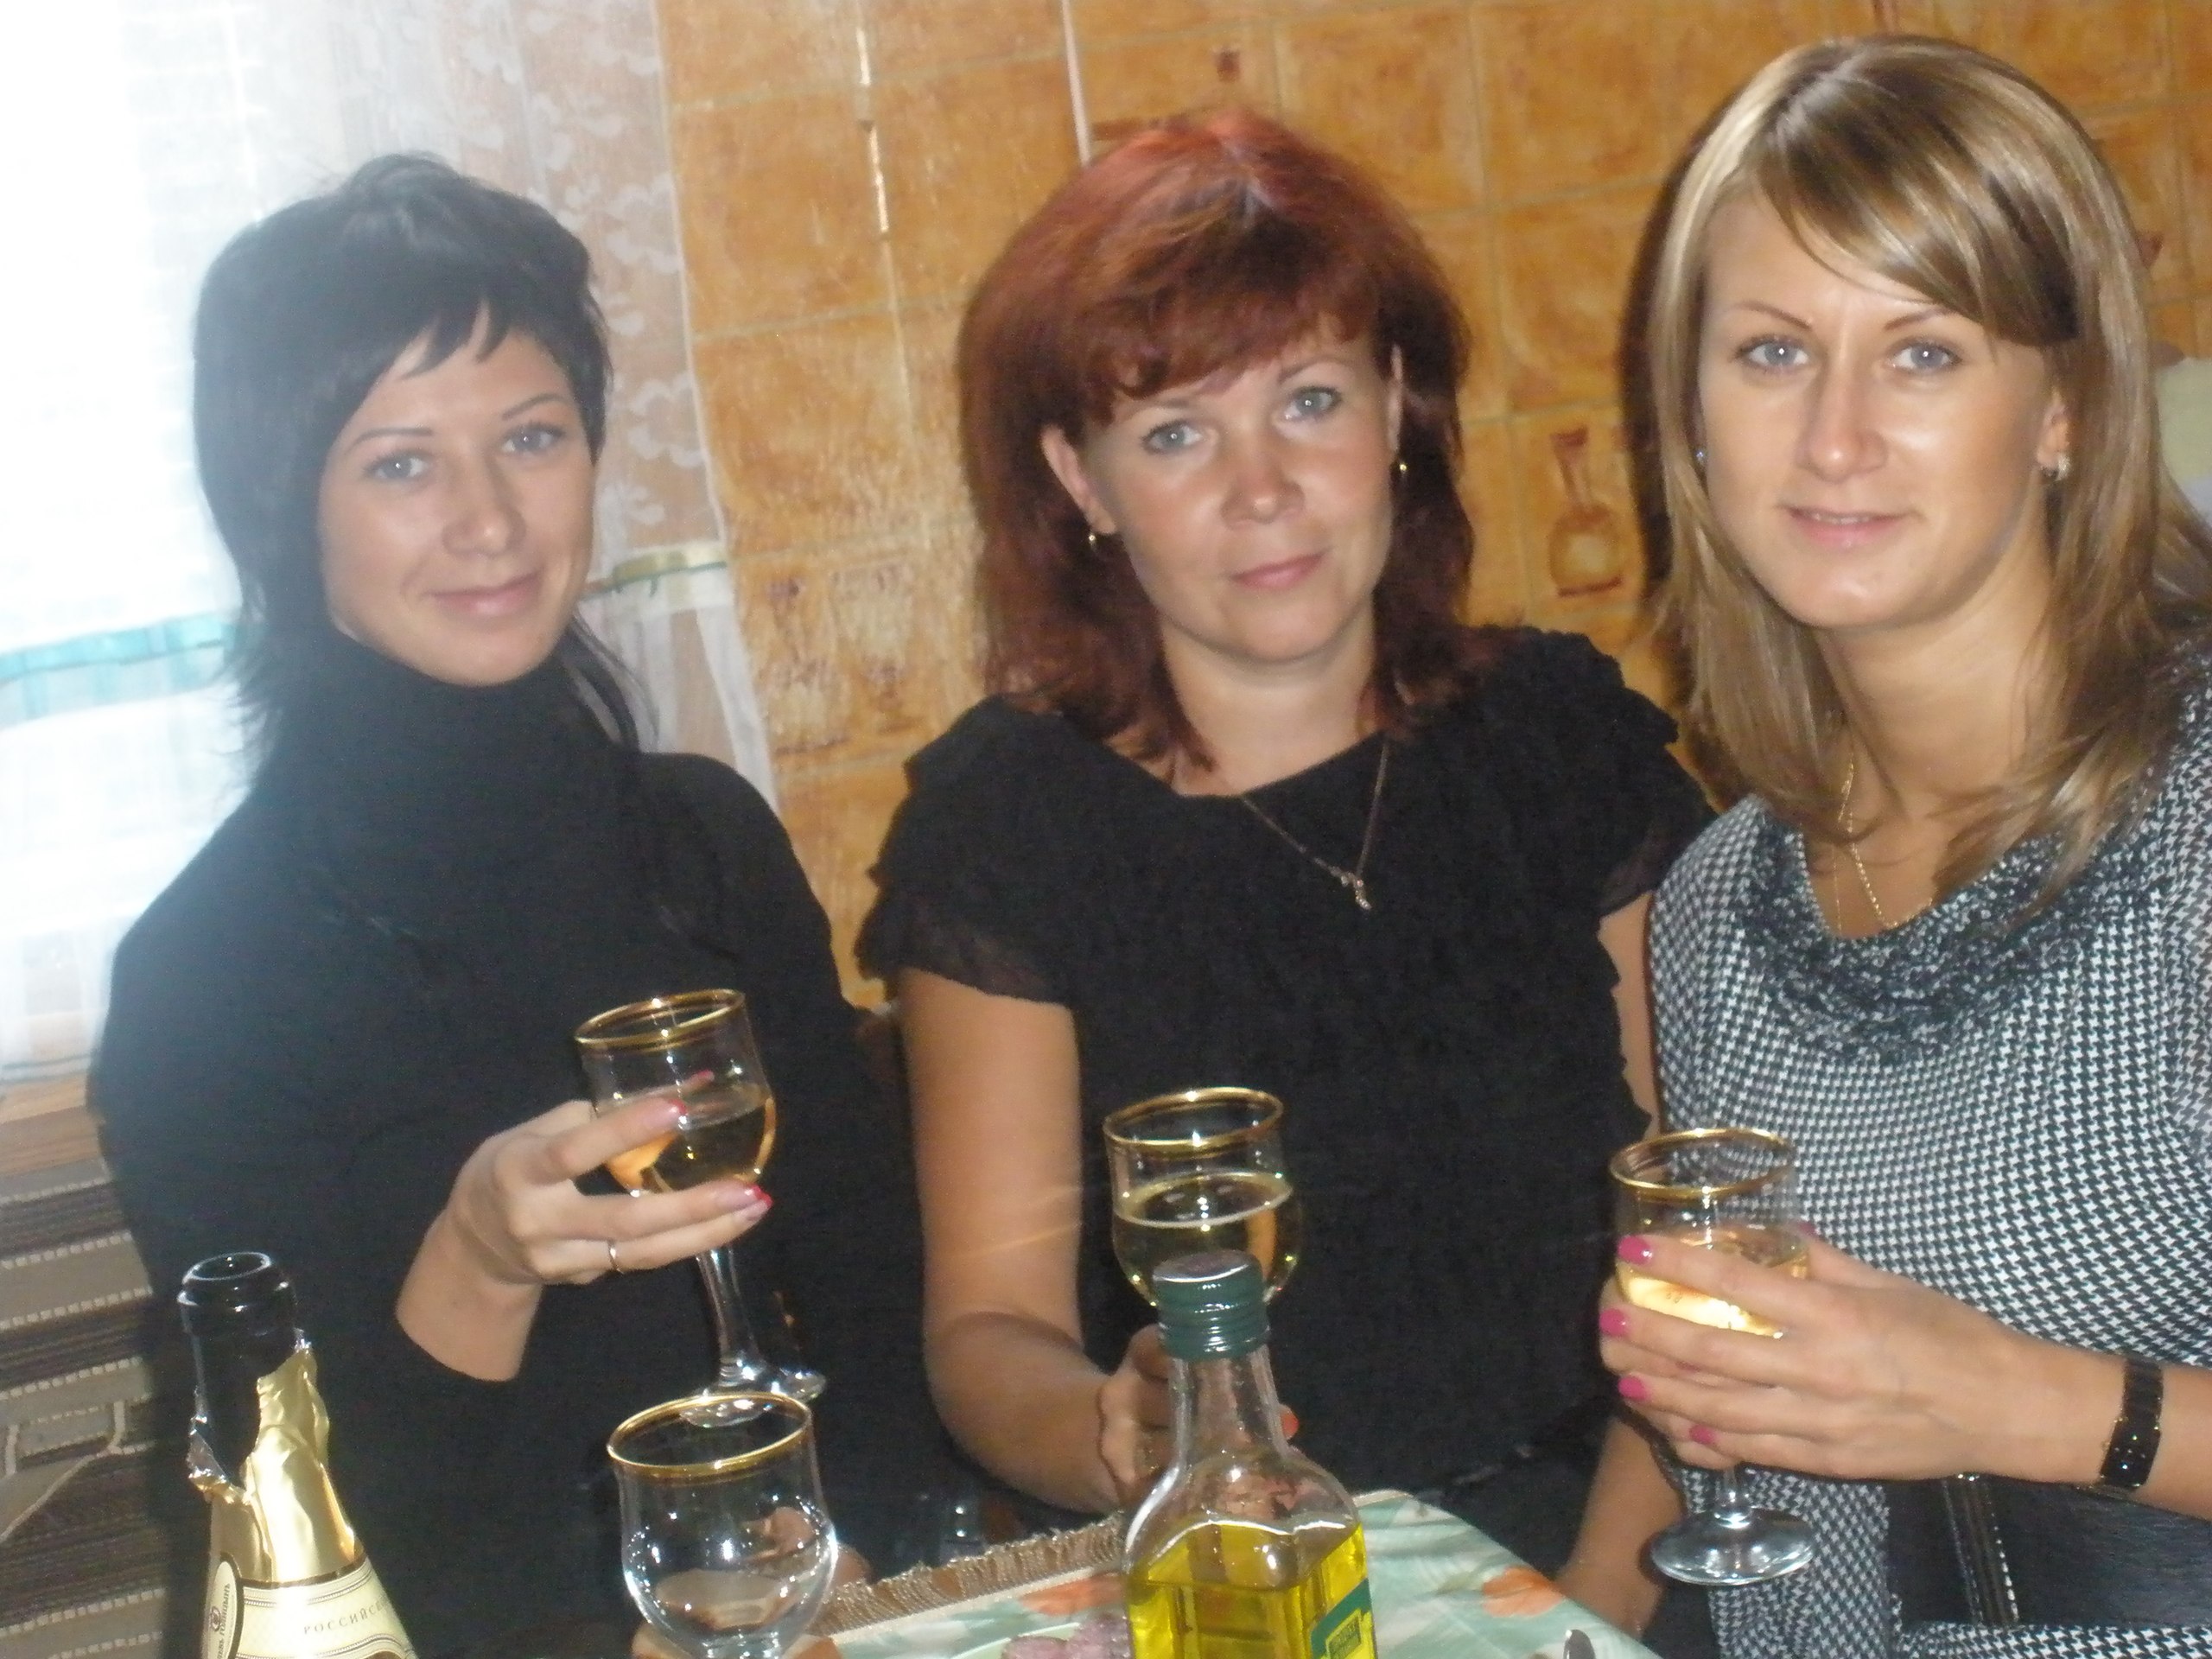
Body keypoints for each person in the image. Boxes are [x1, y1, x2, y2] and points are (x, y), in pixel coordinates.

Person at [860, 108, 1711, 1630]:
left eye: (1308, 401)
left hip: (1634, 1527)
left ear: (1398, 410)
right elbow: (987, 1329)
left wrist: (1590, 1605)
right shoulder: (1008, 829)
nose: (1261, 489)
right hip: (1261, 1584)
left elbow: (1698, 1216)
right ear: (1081, 481)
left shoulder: (1561, 739)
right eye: (1176, 433)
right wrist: (1114, 1433)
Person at [94, 156, 930, 1656]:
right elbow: (321, 1541)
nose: (489, 520)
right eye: (401, 465)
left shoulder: (703, 840)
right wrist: (477, 1263)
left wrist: (861, 1567)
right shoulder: (203, 983)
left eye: (531, 438)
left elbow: (874, 1290)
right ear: (285, 511)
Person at [1590, 34, 2212, 1657]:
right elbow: (1708, 1431)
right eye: (1772, 352)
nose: (1835, 437)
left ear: (2066, 405)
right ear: (1692, 412)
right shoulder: (1718, 905)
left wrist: (2024, 1405)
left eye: (1922, 353)